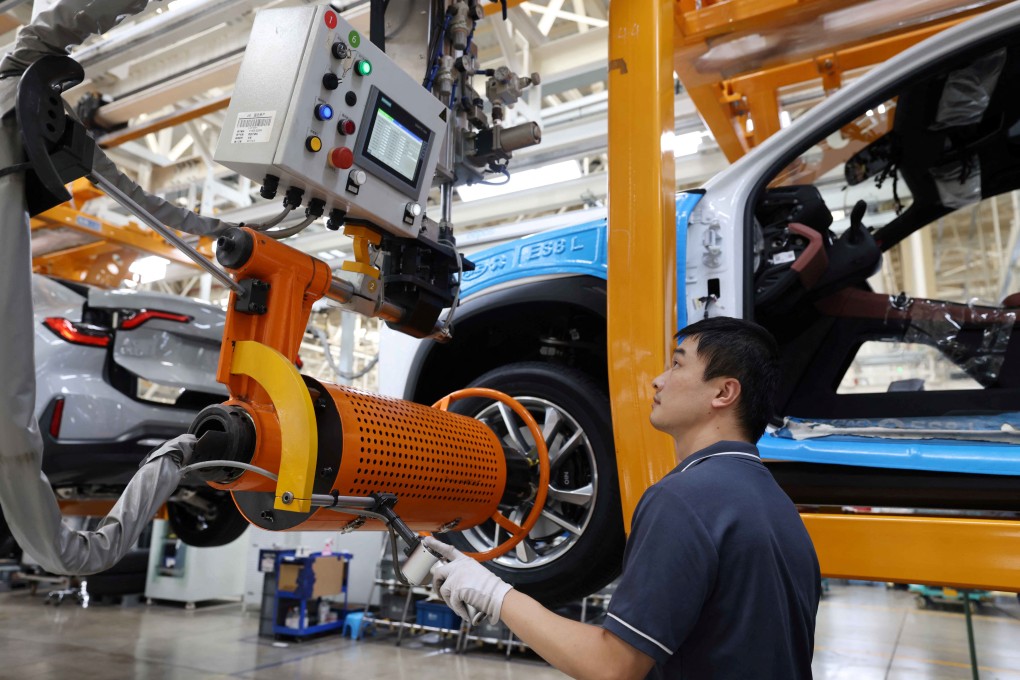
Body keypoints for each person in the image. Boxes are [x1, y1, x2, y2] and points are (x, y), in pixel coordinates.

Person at [424, 316, 821, 680]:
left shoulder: (684, 499)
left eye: (678, 364)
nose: (658, 380)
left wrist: (494, 593)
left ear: (723, 391)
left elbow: (613, 666)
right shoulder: (778, 506)